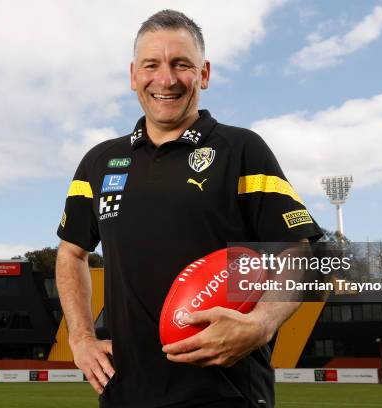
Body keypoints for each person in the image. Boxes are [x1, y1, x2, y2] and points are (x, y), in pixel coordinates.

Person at [56, 9, 322, 408]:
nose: (166, 79)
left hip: (227, 395)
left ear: (204, 74)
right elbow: (71, 252)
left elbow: (301, 252)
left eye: (181, 64)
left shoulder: (242, 150)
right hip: (124, 394)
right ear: (133, 75)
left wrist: (261, 324)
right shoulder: (98, 163)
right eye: (152, 65)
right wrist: (80, 338)